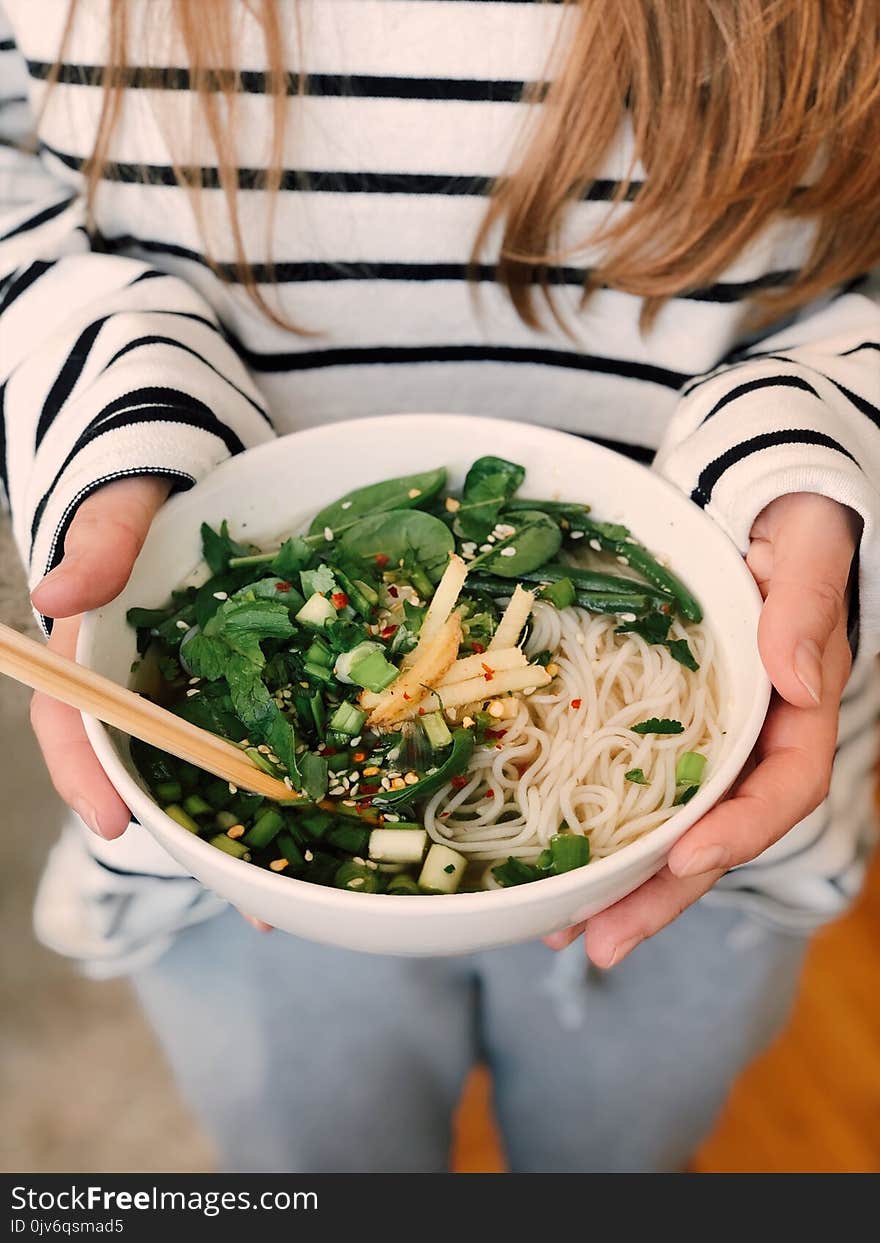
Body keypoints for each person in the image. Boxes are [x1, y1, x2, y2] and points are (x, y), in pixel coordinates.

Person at [2, 0, 878, 1173]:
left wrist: (807, 461)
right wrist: (123, 427)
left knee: (619, 1156)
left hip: (723, 798)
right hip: (228, 874)